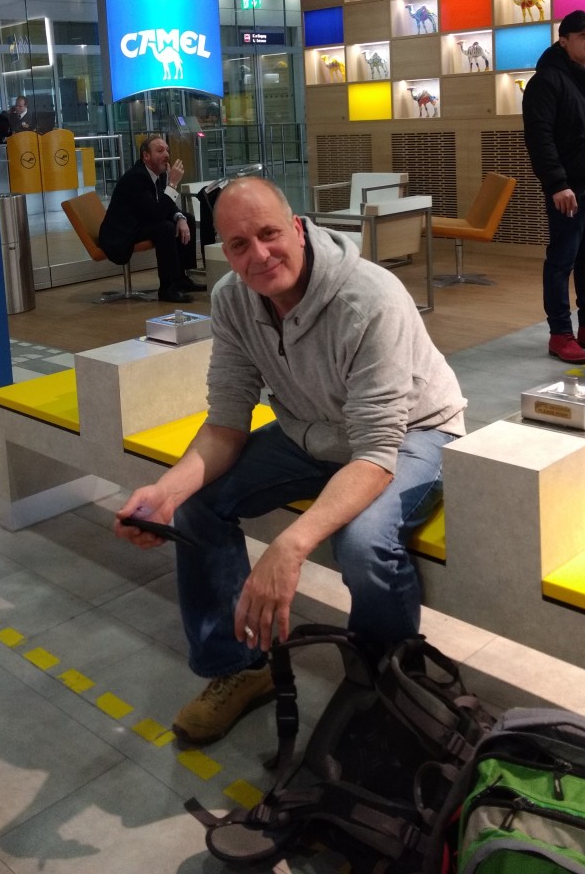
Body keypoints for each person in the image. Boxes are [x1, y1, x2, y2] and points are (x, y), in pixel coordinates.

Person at [114, 177, 466, 746]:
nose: (258, 255)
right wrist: (167, 491)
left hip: (412, 432)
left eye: (269, 234)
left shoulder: (370, 298)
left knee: (364, 545)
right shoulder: (232, 300)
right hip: (311, 429)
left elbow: (376, 452)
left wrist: (291, 544)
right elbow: (226, 422)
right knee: (198, 503)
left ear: (298, 229)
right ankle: (239, 667)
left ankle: (388, 688)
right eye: (238, 244)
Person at [522, 9, 585, 364]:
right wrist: (557, 183)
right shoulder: (546, 82)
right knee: (562, 260)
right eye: (583, 35)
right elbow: (540, 138)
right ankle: (560, 332)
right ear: (564, 41)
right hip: (570, 190)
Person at [98, 133, 199, 303]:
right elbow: (157, 214)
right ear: (146, 156)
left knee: (186, 218)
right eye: (160, 151)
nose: (166, 155)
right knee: (165, 228)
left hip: (140, 223)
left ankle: (181, 279)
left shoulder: (158, 175)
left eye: (167, 150)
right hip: (122, 233)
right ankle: (167, 289)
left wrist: (180, 218)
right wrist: (173, 184)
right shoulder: (136, 177)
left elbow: (164, 206)